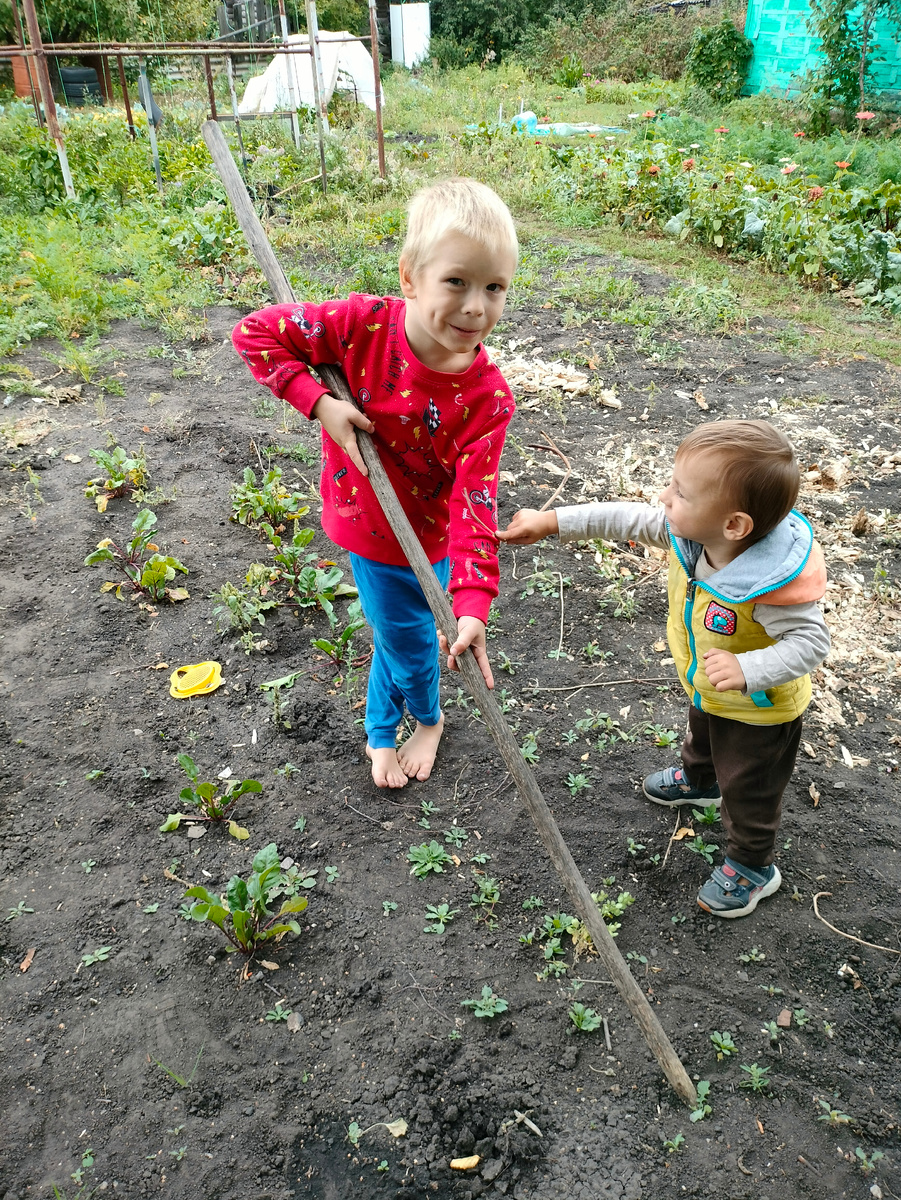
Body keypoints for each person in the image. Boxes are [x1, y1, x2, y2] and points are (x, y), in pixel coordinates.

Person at [232, 178, 518, 788]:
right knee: (412, 646)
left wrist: (472, 604)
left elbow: (475, 503)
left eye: (494, 288)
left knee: (404, 633)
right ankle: (419, 720)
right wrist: (318, 402)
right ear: (410, 277)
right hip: (372, 535)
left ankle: (390, 724)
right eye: (457, 282)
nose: (476, 307)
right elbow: (254, 334)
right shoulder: (360, 326)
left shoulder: (487, 399)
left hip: (436, 538)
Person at [499, 420, 830, 918]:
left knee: (751, 786)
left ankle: (753, 865)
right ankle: (700, 783)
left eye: (679, 492)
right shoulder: (694, 534)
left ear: (734, 525)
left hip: (761, 711)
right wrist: (552, 523)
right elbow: (626, 519)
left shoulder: (772, 582)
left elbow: (811, 642)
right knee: (704, 735)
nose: (664, 497)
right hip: (711, 686)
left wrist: (749, 668)